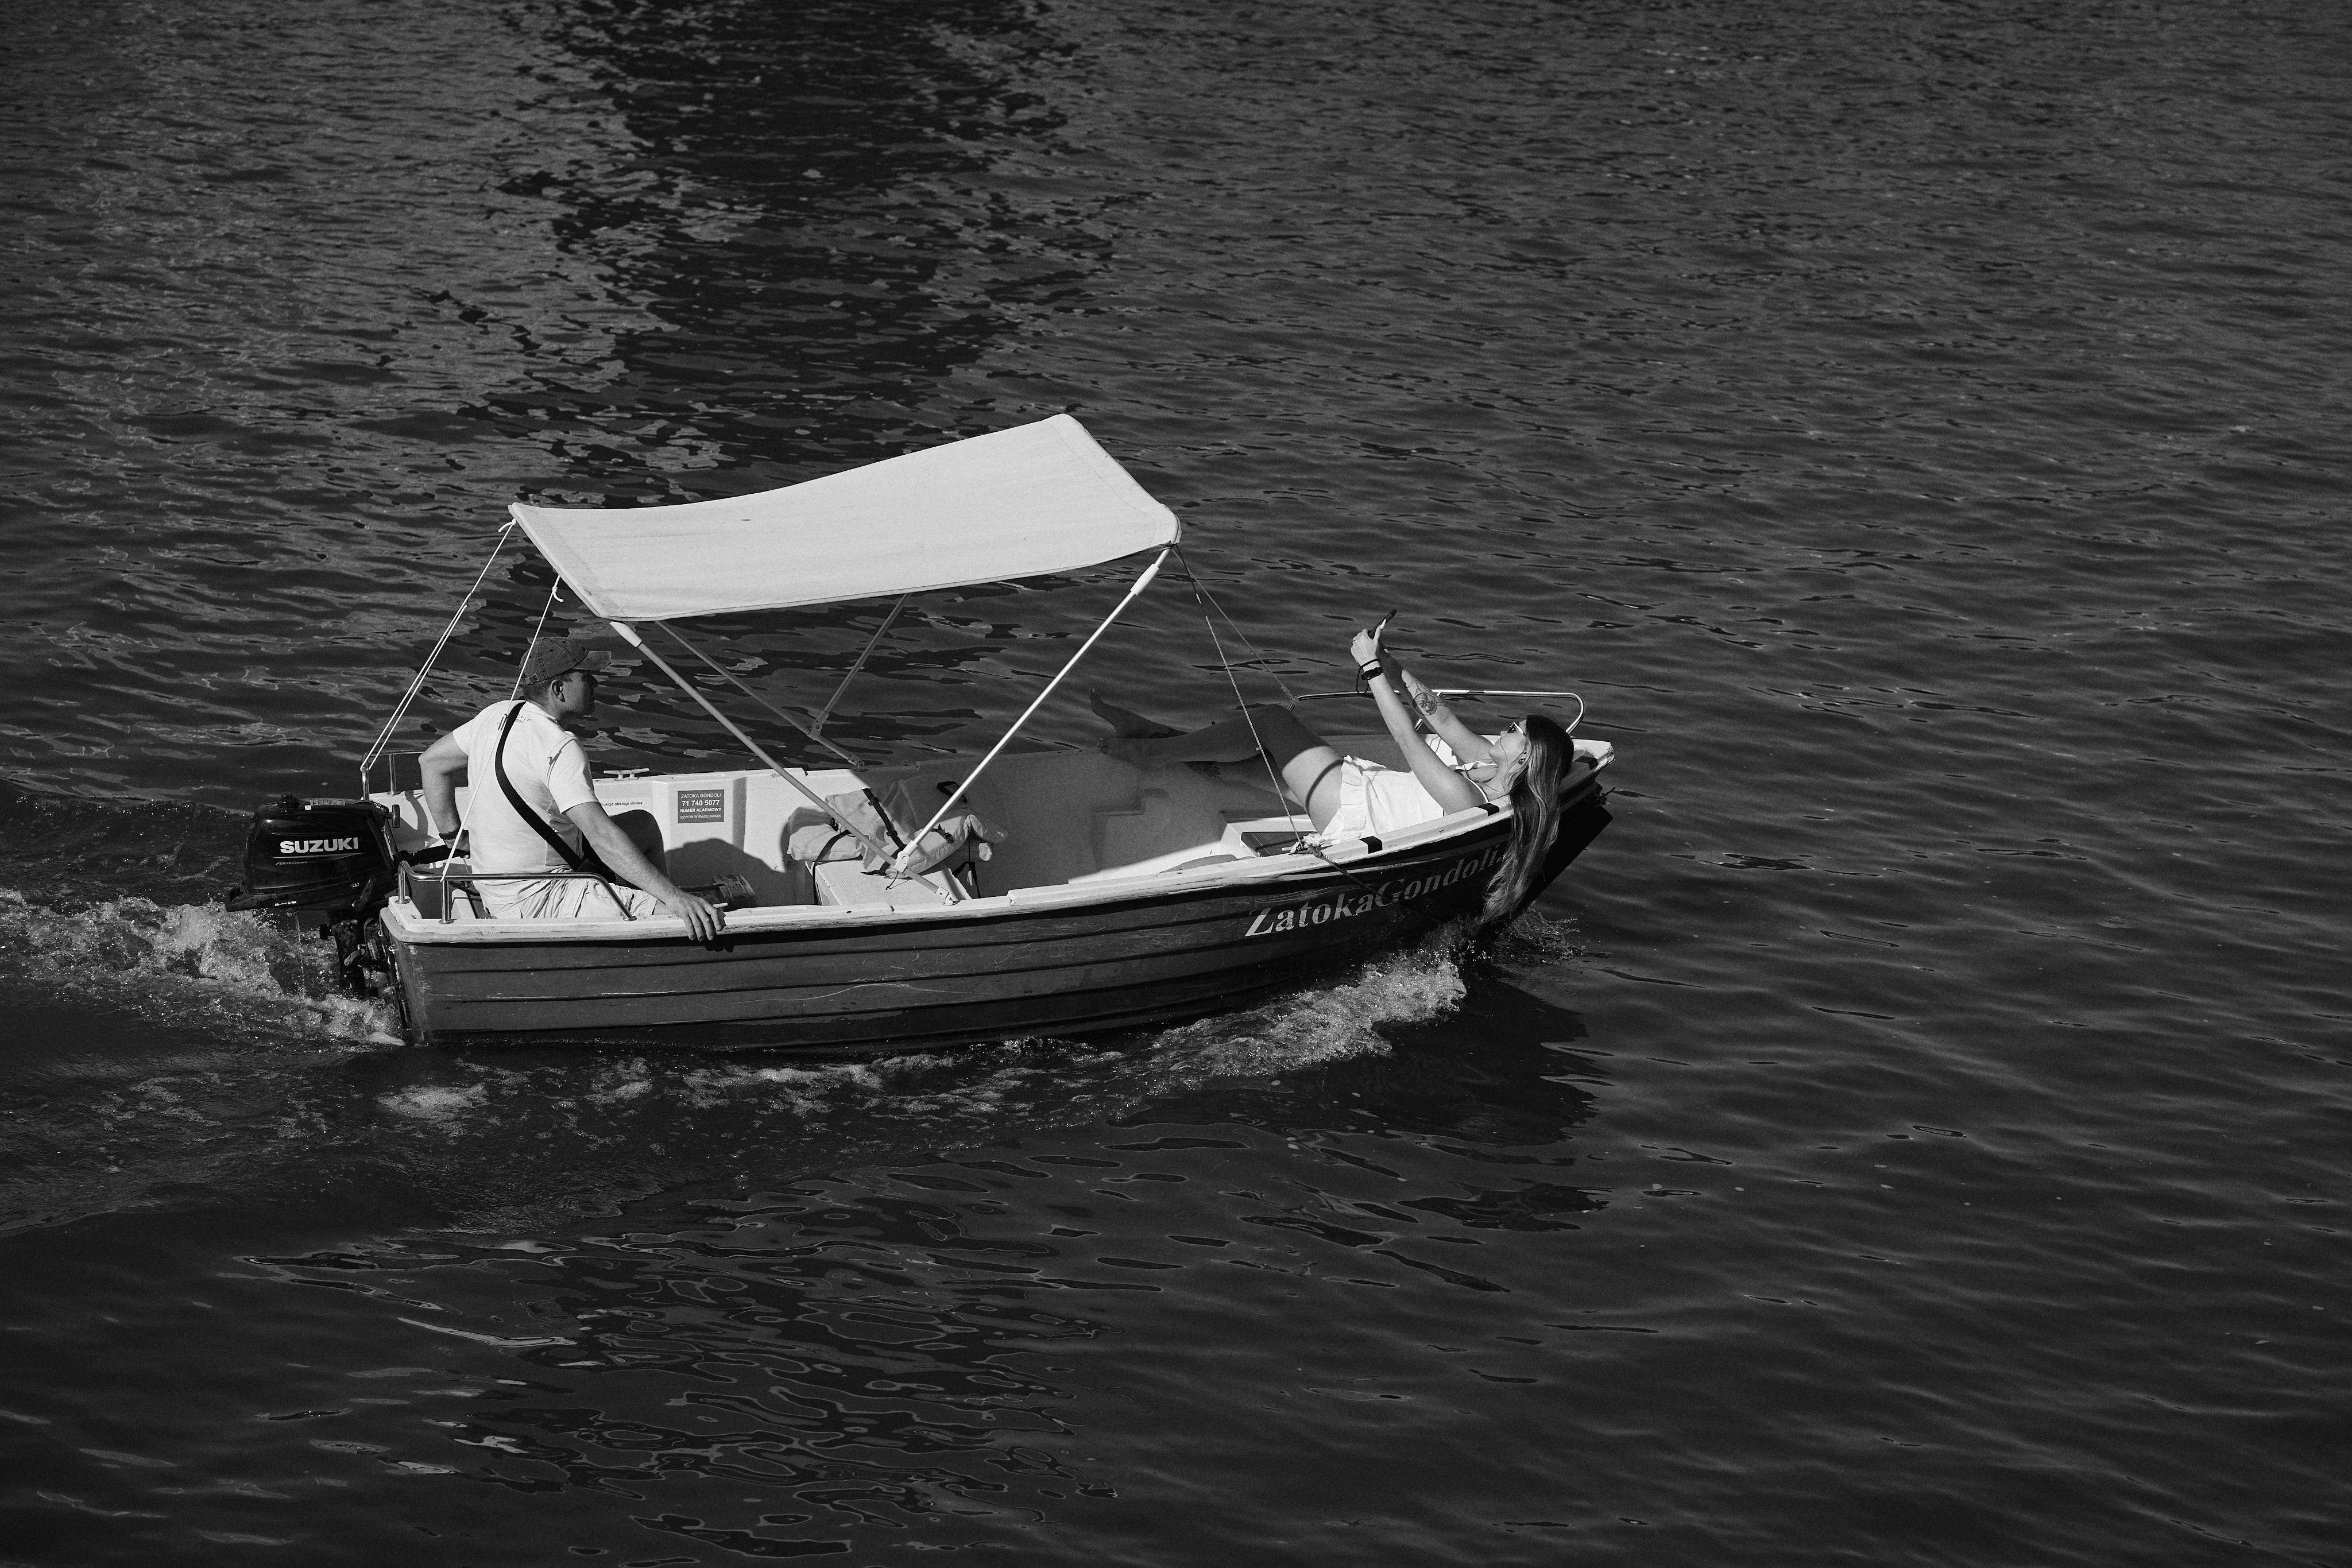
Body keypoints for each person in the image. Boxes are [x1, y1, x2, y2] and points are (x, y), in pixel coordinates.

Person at [1092, 620, 1580, 926]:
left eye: (1516, 730)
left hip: (1352, 808)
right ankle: (1154, 736)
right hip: (1356, 789)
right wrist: (1393, 666)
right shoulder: (1482, 765)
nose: (1506, 727)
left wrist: (1369, 672)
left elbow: (1410, 741)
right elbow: (1442, 717)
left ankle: (1153, 754)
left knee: (1272, 721)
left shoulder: (1470, 801)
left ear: (1524, 759)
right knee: (1237, 768)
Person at [416, 633, 725, 940]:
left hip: (495, 883)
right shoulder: (559, 746)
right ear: (559, 689)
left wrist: (453, 838)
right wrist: (674, 898)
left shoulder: (496, 714)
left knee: (642, 824)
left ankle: (632, 905)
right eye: (587, 678)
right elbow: (600, 835)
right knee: (675, 915)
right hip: (537, 899)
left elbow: (432, 763)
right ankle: (652, 910)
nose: (596, 685)